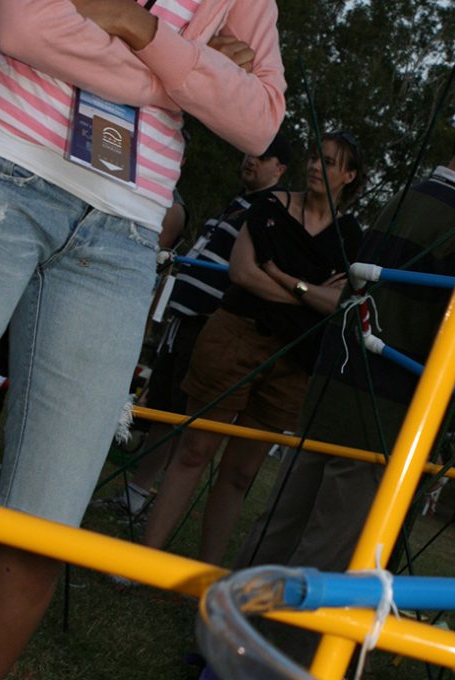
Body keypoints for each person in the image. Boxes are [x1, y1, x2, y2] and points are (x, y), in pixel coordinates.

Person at [0, 0, 284, 677]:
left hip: (127, 235)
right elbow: (26, 28)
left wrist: (138, 30)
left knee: (42, 537)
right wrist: (187, 74)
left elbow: (259, 121)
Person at [232, 95, 455, 663]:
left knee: (282, 526)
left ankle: (226, 639)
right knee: (331, 555)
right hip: (383, 414)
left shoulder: (401, 198)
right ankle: (273, 665)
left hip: (329, 393)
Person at [140, 131, 363, 566]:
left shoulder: (352, 237)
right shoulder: (270, 207)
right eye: (317, 156)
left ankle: (207, 577)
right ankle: (142, 562)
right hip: (236, 334)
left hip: (294, 360)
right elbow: (243, 273)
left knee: (241, 473)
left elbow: (340, 304)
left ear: (349, 177)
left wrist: (282, 279)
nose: (318, 165)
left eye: (332, 162)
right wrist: (309, 294)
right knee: (195, 450)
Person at [102, 132, 293, 517]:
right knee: (164, 406)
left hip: (208, 321)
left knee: (184, 418)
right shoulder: (239, 202)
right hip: (182, 316)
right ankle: (136, 494)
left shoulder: (271, 212)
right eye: (249, 151)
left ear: (281, 168)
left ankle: (153, 504)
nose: (251, 159)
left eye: (264, 156)